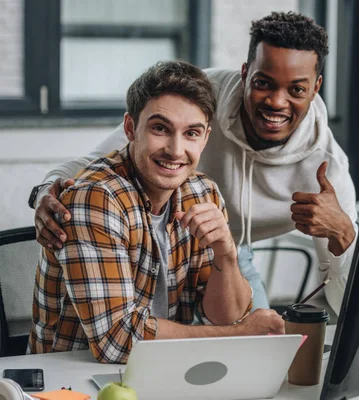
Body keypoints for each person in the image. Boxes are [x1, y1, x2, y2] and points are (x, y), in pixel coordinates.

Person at [29, 12, 357, 315]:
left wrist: (343, 233)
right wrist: (46, 191)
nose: (276, 101)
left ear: (315, 88)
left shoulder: (325, 168)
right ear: (245, 74)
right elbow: (100, 160)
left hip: (228, 250)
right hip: (167, 237)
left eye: (296, 89)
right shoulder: (199, 97)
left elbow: (346, 303)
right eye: (263, 83)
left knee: (259, 341)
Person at [28, 61, 284, 364]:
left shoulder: (203, 193)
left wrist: (226, 254)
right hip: (72, 380)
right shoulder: (96, 197)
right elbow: (118, 342)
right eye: (160, 128)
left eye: (191, 133)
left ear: (205, 138)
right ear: (130, 128)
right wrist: (238, 334)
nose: (176, 150)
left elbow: (224, 317)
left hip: (167, 370)